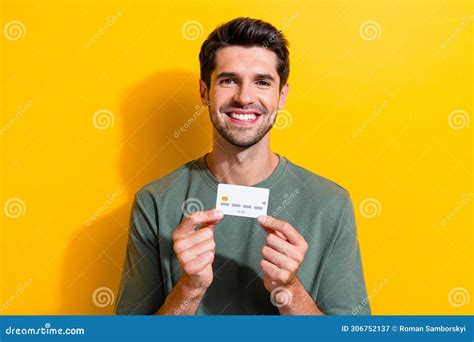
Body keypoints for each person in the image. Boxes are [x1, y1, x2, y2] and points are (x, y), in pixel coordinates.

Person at [115, 17, 371, 315]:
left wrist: (287, 288)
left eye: (262, 82)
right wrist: (190, 287)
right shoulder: (156, 201)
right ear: (203, 92)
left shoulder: (330, 203)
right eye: (228, 80)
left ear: (282, 96)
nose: (245, 97)